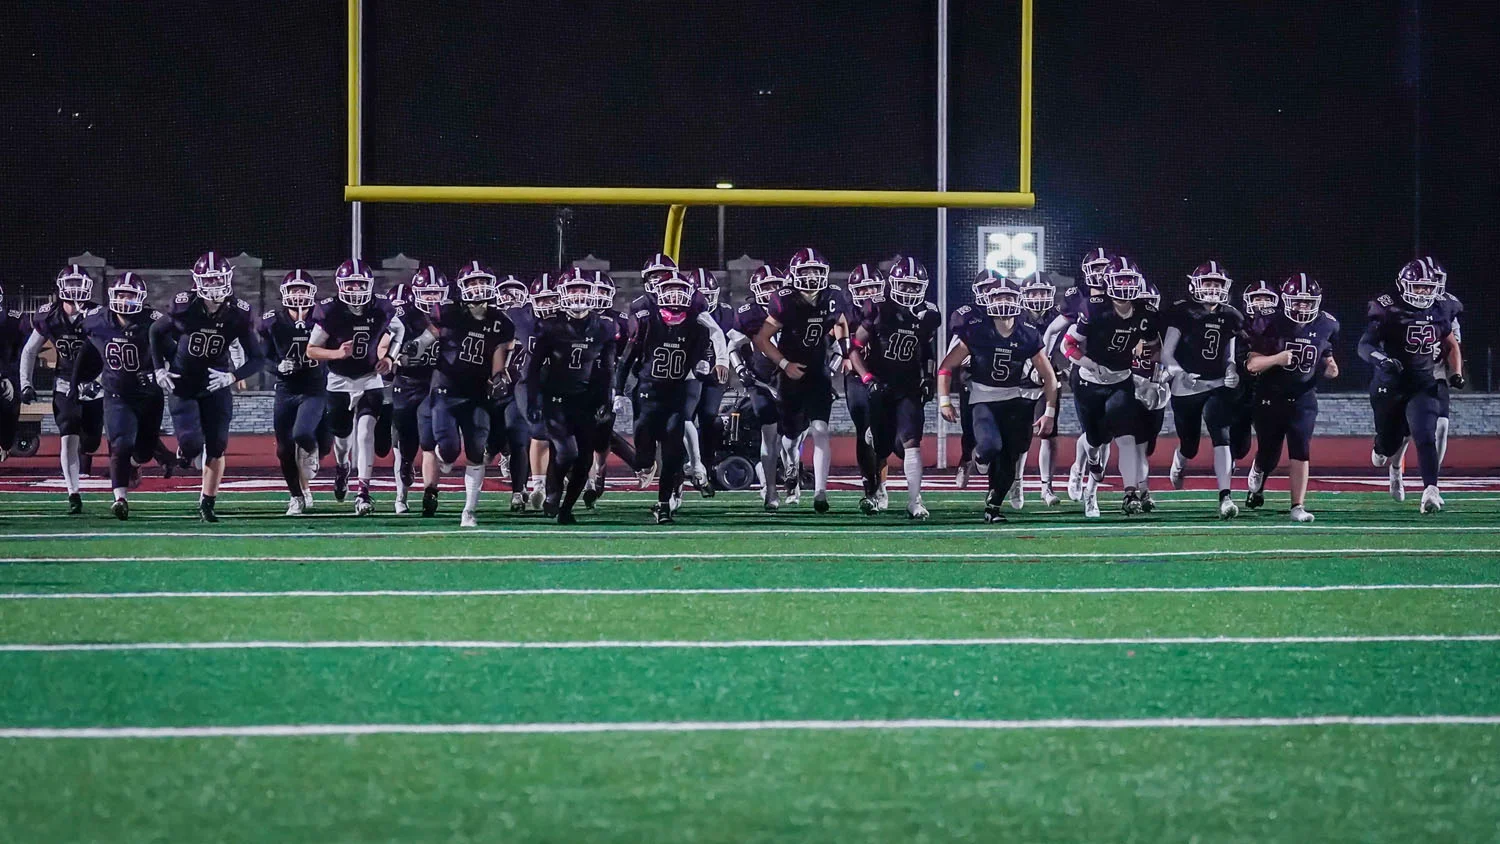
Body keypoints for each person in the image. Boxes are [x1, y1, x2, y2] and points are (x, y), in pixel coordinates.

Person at [149, 252, 265, 522]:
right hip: (184, 383)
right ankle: (184, 452)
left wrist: (232, 377)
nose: (213, 286)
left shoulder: (238, 313)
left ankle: (207, 502)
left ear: (227, 279)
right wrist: (158, 368)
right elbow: (155, 331)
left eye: (217, 279)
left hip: (216, 383)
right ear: (197, 282)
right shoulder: (184, 306)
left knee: (217, 445)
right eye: (208, 280)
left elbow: (257, 357)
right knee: (191, 444)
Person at [938, 274, 1059, 522]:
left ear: (1018, 300)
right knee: (990, 446)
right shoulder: (975, 330)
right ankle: (977, 458)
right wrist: (944, 400)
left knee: (1012, 455)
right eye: (997, 296)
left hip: (1017, 400)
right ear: (987, 299)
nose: (1003, 301)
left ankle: (993, 507)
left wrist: (1049, 412)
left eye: (1008, 297)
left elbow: (1048, 376)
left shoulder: (1028, 332)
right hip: (984, 398)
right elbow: (946, 366)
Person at [614, 271, 725, 523]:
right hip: (647, 393)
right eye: (669, 290)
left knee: (673, 451)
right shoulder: (646, 321)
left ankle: (663, 504)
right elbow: (626, 360)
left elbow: (705, 350)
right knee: (644, 456)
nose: (675, 296)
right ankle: (645, 465)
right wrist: (618, 392)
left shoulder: (697, 324)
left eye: (680, 291)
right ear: (658, 294)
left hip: (675, 394)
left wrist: (704, 365)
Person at [409, 265, 514, 527]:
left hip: (477, 393)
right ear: (463, 287)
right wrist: (417, 346)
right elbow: (430, 335)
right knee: (448, 448)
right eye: (473, 282)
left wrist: (499, 376)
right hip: (446, 390)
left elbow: (499, 357)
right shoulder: (449, 313)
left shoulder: (502, 322)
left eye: (482, 282)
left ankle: (469, 510)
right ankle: (441, 467)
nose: (478, 287)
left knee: (477, 449)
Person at [1061, 255, 1162, 518]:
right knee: (1095, 440)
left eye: (1131, 280)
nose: (1127, 285)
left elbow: (1156, 346)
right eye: (1121, 280)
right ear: (1108, 282)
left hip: (1120, 380)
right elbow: (1067, 345)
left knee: (1125, 437)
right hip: (1088, 381)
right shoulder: (1094, 307)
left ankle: (1128, 495)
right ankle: (1087, 466)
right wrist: (1090, 363)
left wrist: (1158, 367)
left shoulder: (1145, 311)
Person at [753, 247, 848, 513]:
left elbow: (840, 322)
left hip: (818, 373)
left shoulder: (833, 296)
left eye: (816, 271)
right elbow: (761, 339)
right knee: (790, 436)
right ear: (794, 274)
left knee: (820, 430)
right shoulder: (784, 300)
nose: (811, 276)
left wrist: (845, 349)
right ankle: (781, 477)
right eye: (805, 271)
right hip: (790, 376)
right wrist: (784, 363)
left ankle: (820, 492)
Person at [305, 258, 402, 516]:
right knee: (343, 438)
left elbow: (399, 330)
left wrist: (390, 357)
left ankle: (363, 492)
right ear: (341, 286)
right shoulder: (330, 311)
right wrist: (336, 354)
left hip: (370, 378)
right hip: (338, 380)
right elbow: (311, 350)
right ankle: (342, 466)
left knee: (365, 433)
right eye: (351, 284)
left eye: (360, 285)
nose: (356, 290)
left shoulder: (381, 307)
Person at [1358, 258, 1455, 514]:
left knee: (1425, 434)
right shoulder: (1388, 309)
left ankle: (1431, 490)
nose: (1423, 292)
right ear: (1404, 286)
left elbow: (1449, 341)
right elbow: (1364, 345)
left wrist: (1455, 371)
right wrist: (1382, 360)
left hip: (1422, 383)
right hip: (1389, 384)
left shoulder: (1443, 308)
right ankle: (1383, 450)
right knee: (1387, 446)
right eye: (1418, 287)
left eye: (1427, 287)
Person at [525, 268, 620, 523]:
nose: (578, 295)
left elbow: (608, 369)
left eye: (583, 289)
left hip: (586, 400)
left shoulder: (604, 327)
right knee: (566, 452)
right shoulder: (550, 326)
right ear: (562, 293)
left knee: (584, 459)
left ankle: (566, 508)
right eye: (573, 289)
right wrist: (532, 399)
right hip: (555, 398)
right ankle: (553, 495)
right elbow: (532, 368)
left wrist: (606, 401)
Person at [848, 257, 940, 519]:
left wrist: (929, 377)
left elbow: (927, 350)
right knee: (881, 446)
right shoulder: (877, 310)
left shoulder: (930, 314)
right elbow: (854, 349)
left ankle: (915, 500)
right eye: (905, 285)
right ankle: (875, 491)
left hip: (908, 386)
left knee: (911, 442)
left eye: (914, 286)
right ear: (893, 284)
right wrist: (867, 378)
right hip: (881, 386)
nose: (909, 291)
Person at [70, 273, 167, 519]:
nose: (125, 299)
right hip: (117, 394)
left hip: (149, 395)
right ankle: (120, 498)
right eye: (121, 294)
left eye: (130, 295)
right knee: (120, 445)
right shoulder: (98, 321)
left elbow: (173, 351)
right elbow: (87, 350)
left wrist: (160, 372)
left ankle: (135, 466)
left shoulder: (153, 322)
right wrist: (76, 382)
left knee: (143, 452)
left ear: (141, 299)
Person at [1245, 273, 1339, 522]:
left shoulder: (1327, 324)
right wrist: (1277, 359)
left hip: (1303, 396)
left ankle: (1297, 506)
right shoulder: (1269, 322)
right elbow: (1252, 365)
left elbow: (1326, 352)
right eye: (1297, 301)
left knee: (1300, 449)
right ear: (1286, 300)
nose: (1302, 306)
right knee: (1269, 452)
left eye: (1307, 301)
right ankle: (1259, 470)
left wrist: (1330, 366)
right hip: (1270, 395)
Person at [1162, 261, 1246, 518]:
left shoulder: (1232, 315)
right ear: (1195, 285)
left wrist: (1232, 371)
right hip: (1187, 386)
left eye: (1217, 284)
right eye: (1207, 283)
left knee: (1221, 433)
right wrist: (1179, 372)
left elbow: (1230, 357)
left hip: (1216, 384)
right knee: (1190, 445)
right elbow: (1167, 353)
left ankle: (1226, 497)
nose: (1212, 288)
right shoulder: (1182, 312)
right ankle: (1181, 460)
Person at [19, 265, 104, 513]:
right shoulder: (49, 316)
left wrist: (100, 380)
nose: (76, 290)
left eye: (81, 284)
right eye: (72, 284)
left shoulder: (98, 315)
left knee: (90, 443)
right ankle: (73, 494)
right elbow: (29, 350)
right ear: (61, 288)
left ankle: (84, 453)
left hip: (93, 384)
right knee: (67, 434)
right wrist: (26, 383)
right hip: (65, 383)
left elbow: (111, 350)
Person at [260, 270, 329, 515]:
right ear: (284, 293)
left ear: (311, 293)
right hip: (286, 388)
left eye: (302, 290)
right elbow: (263, 356)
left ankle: (312, 450)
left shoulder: (322, 317)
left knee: (304, 434)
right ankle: (297, 496)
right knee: (283, 448)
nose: (298, 295)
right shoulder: (273, 321)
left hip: (314, 387)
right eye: (293, 290)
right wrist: (277, 367)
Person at [1053, 248, 1114, 502]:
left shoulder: (1122, 298)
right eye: (1096, 268)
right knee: (1092, 432)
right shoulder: (1077, 298)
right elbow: (1054, 333)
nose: (1100, 274)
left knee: (1107, 432)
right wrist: (1045, 365)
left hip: (1114, 371)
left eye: (1104, 268)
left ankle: (1091, 487)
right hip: (1085, 369)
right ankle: (1079, 470)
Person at [386, 266, 446, 514]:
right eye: (427, 292)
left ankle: (430, 488)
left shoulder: (451, 316)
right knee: (403, 444)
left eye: (436, 293)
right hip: (407, 384)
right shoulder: (403, 317)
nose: (432, 298)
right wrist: (395, 359)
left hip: (436, 384)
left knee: (432, 439)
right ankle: (401, 496)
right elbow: (383, 348)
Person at [727, 265, 787, 508]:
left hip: (790, 381)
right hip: (761, 382)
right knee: (769, 434)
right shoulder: (749, 314)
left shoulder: (794, 308)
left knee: (790, 438)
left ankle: (784, 474)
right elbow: (731, 345)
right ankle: (770, 490)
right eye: (767, 287)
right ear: (756, 290)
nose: (772, 291)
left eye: (776, 286)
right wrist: (741, 370)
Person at [683, 267, 735, 496]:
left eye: (709, 294)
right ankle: (689, 463)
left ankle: (705, 462)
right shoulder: (682, 310)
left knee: (708, 418)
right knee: (683, 418)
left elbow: (729, 338)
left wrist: (724, 360)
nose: (706, 299)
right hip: (688, 372)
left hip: (715, 374)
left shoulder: (725, 312)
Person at [844, 263, 888, 508]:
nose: (869, 293)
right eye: (863, 288)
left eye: (873, 287)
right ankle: (869, 487)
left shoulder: (889, 309)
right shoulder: (846, 313)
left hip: (884, 376)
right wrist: (839, 357)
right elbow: (831, 340)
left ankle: (881, 484)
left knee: (880, 432)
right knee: (864, 431)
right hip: (857, 378)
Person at [1020, 274, 1063, 506]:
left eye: (1043, 292)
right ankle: (1017, 483)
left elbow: (1067, 346)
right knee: (1019, 437)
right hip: (1019, 384)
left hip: (1048, 384)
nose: (1039, 297)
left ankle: (1047, 487)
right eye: (1034, 293)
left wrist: (1058, 368)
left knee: (1049, 435)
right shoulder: (1015, 317)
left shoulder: (1058, 318)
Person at [0, 282, 27, 461]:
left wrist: (11, 378)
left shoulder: (14, 320)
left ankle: (5, 444)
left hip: (8, 377)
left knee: (9, 407)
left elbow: (23, 353)